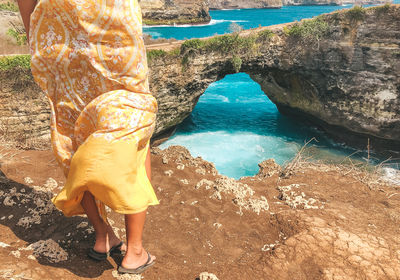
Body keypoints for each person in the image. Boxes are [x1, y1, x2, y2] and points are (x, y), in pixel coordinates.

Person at [17, 0, 158, 274]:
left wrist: (36, 33)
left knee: (74, 131)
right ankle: (135, 251)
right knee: (134, 122)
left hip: (58, 31)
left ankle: (103, 236)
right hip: (114, 27)